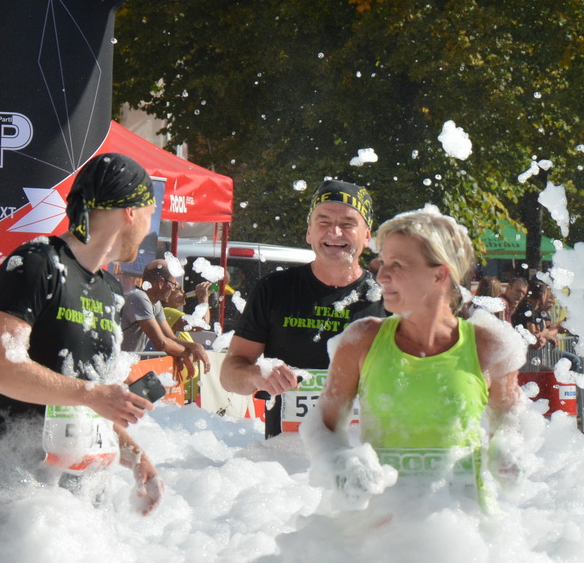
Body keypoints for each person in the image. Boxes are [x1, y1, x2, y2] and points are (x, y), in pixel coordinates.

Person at [0, 152, 164, 514]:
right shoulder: (39, 263)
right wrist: (92, 394)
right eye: (148, 215)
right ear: (130, 212)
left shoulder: (112, 291)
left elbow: (85, 399)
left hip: (68, 507)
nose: (148, 228)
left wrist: (134, 456)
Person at [306, 208, 524, 511]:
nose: (381, 274)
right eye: (382, 262)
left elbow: (512, 425)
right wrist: (343, 463)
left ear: (439, 273)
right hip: (380, 534)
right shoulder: (362, 341)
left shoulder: (489, 346)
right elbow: (322, 427)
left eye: (397, 264)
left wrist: (508, 451)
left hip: (463, 532)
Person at [220, 179, 386, 436]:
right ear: (309, 232)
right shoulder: (274, 289)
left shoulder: (387, 298)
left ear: (367, 236)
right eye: (323, 222)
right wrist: (258, 376)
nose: (335, 232)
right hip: (286, 462)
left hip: (361, 457)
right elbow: (229, 374)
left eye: (347, 224)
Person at [121, 260, 210, 382]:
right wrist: (186, 352)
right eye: (173, 284)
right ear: (161, 283)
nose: (174, 288)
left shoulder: (155, 304)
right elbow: (161, 342)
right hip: (112, 364)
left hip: (123, 365)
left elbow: (171, 338)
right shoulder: (138, 297)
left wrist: (195, 346)